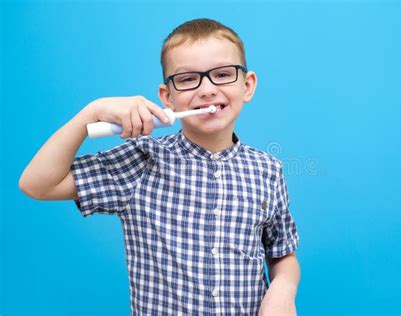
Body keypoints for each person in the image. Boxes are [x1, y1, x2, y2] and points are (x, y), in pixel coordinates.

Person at [19, 18, 300, 315]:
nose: (206, 89)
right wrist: (92, 111)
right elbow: (37, 183)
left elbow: (283, 255)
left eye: (222, 74)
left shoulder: (268, 170)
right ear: (168, 98)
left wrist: (283, 288)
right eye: (188, 79)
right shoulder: (141, 161)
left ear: (247, 85)